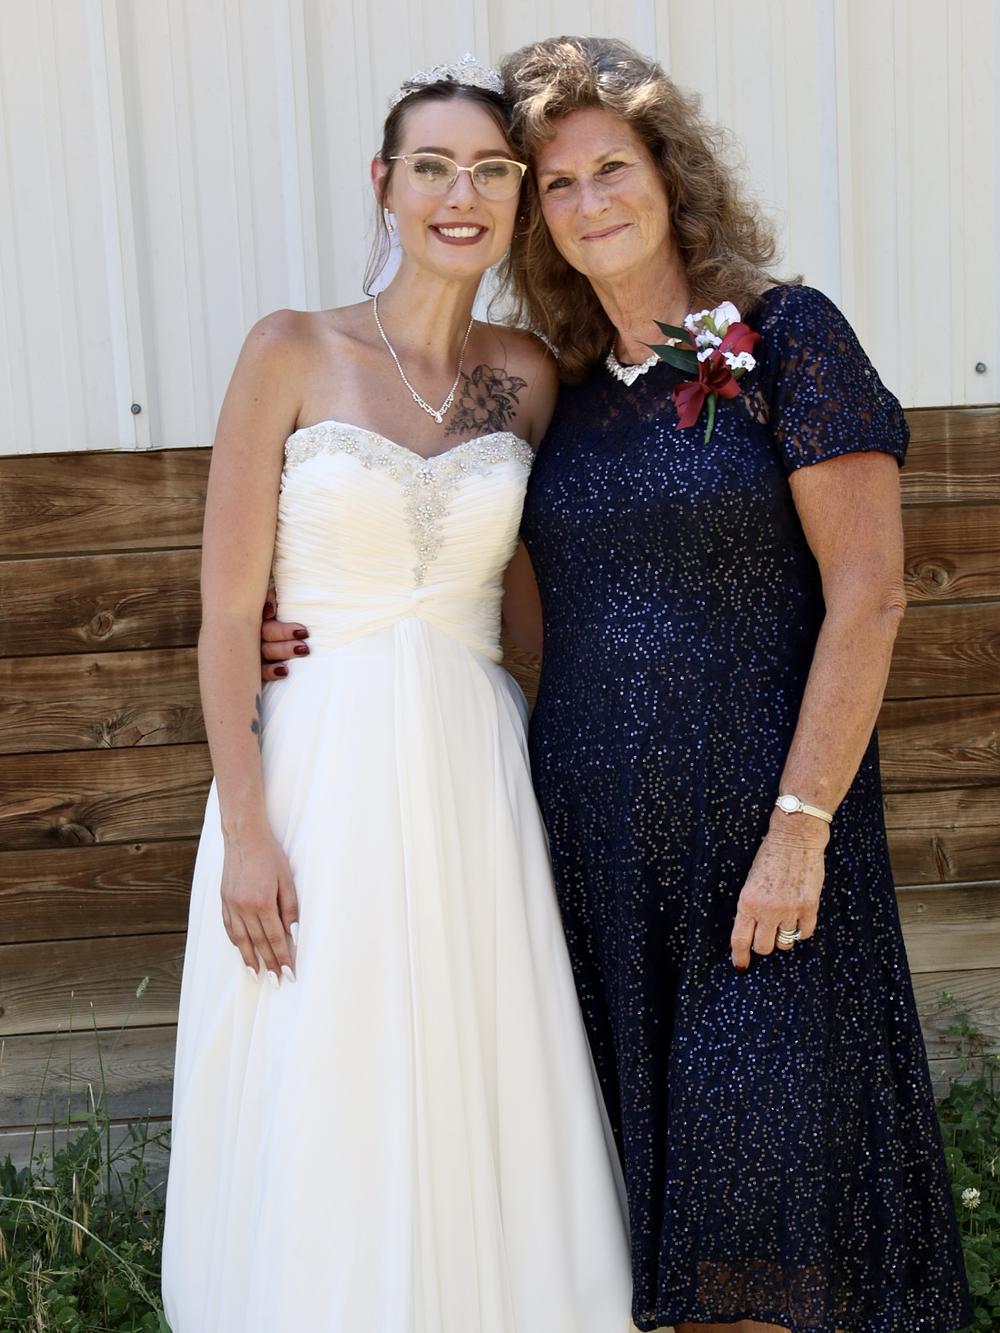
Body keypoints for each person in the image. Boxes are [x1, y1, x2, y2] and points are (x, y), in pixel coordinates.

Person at [262, 37, 972, 1333]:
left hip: (764, 851)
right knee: (652, 1246)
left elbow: (871, 595)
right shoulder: (561, 391)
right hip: (595, 861)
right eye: (559, 183)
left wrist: (801, 828)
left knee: (761, 1221)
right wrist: (312, 621)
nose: (590, 203)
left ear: (671, 175)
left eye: (613, 170)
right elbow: (491, 591)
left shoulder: (786, 340)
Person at [161, 56, 633, 1333]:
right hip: (319, 765)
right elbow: (226, 613)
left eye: (489, 171)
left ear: (518, 199)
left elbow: (539, 595)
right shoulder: (291, 349)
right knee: (331, 1051)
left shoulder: (526, 376)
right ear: (385, 183)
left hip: (474, 764)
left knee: (482, 1051)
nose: (459, 195)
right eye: (432, 167)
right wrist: (246, 830)